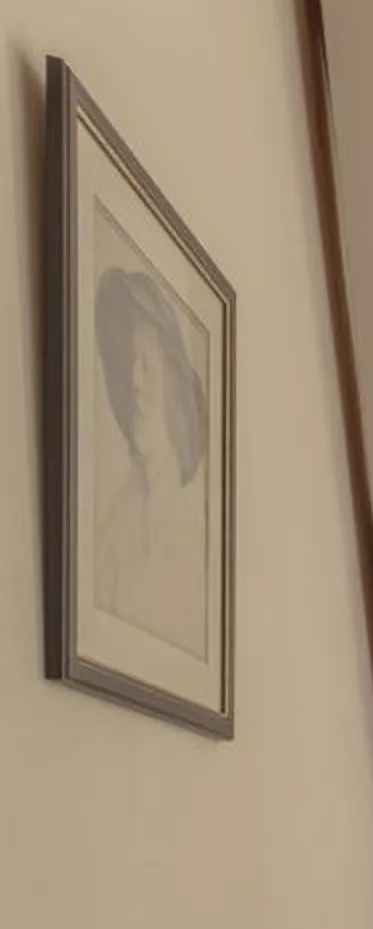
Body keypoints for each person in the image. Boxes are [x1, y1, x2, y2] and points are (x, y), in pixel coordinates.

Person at [91, 254, 212, 662]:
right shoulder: (113, 528)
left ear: (171, 377)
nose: (136, 382)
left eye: (147, 363)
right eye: (128, 364)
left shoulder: (198, 519)